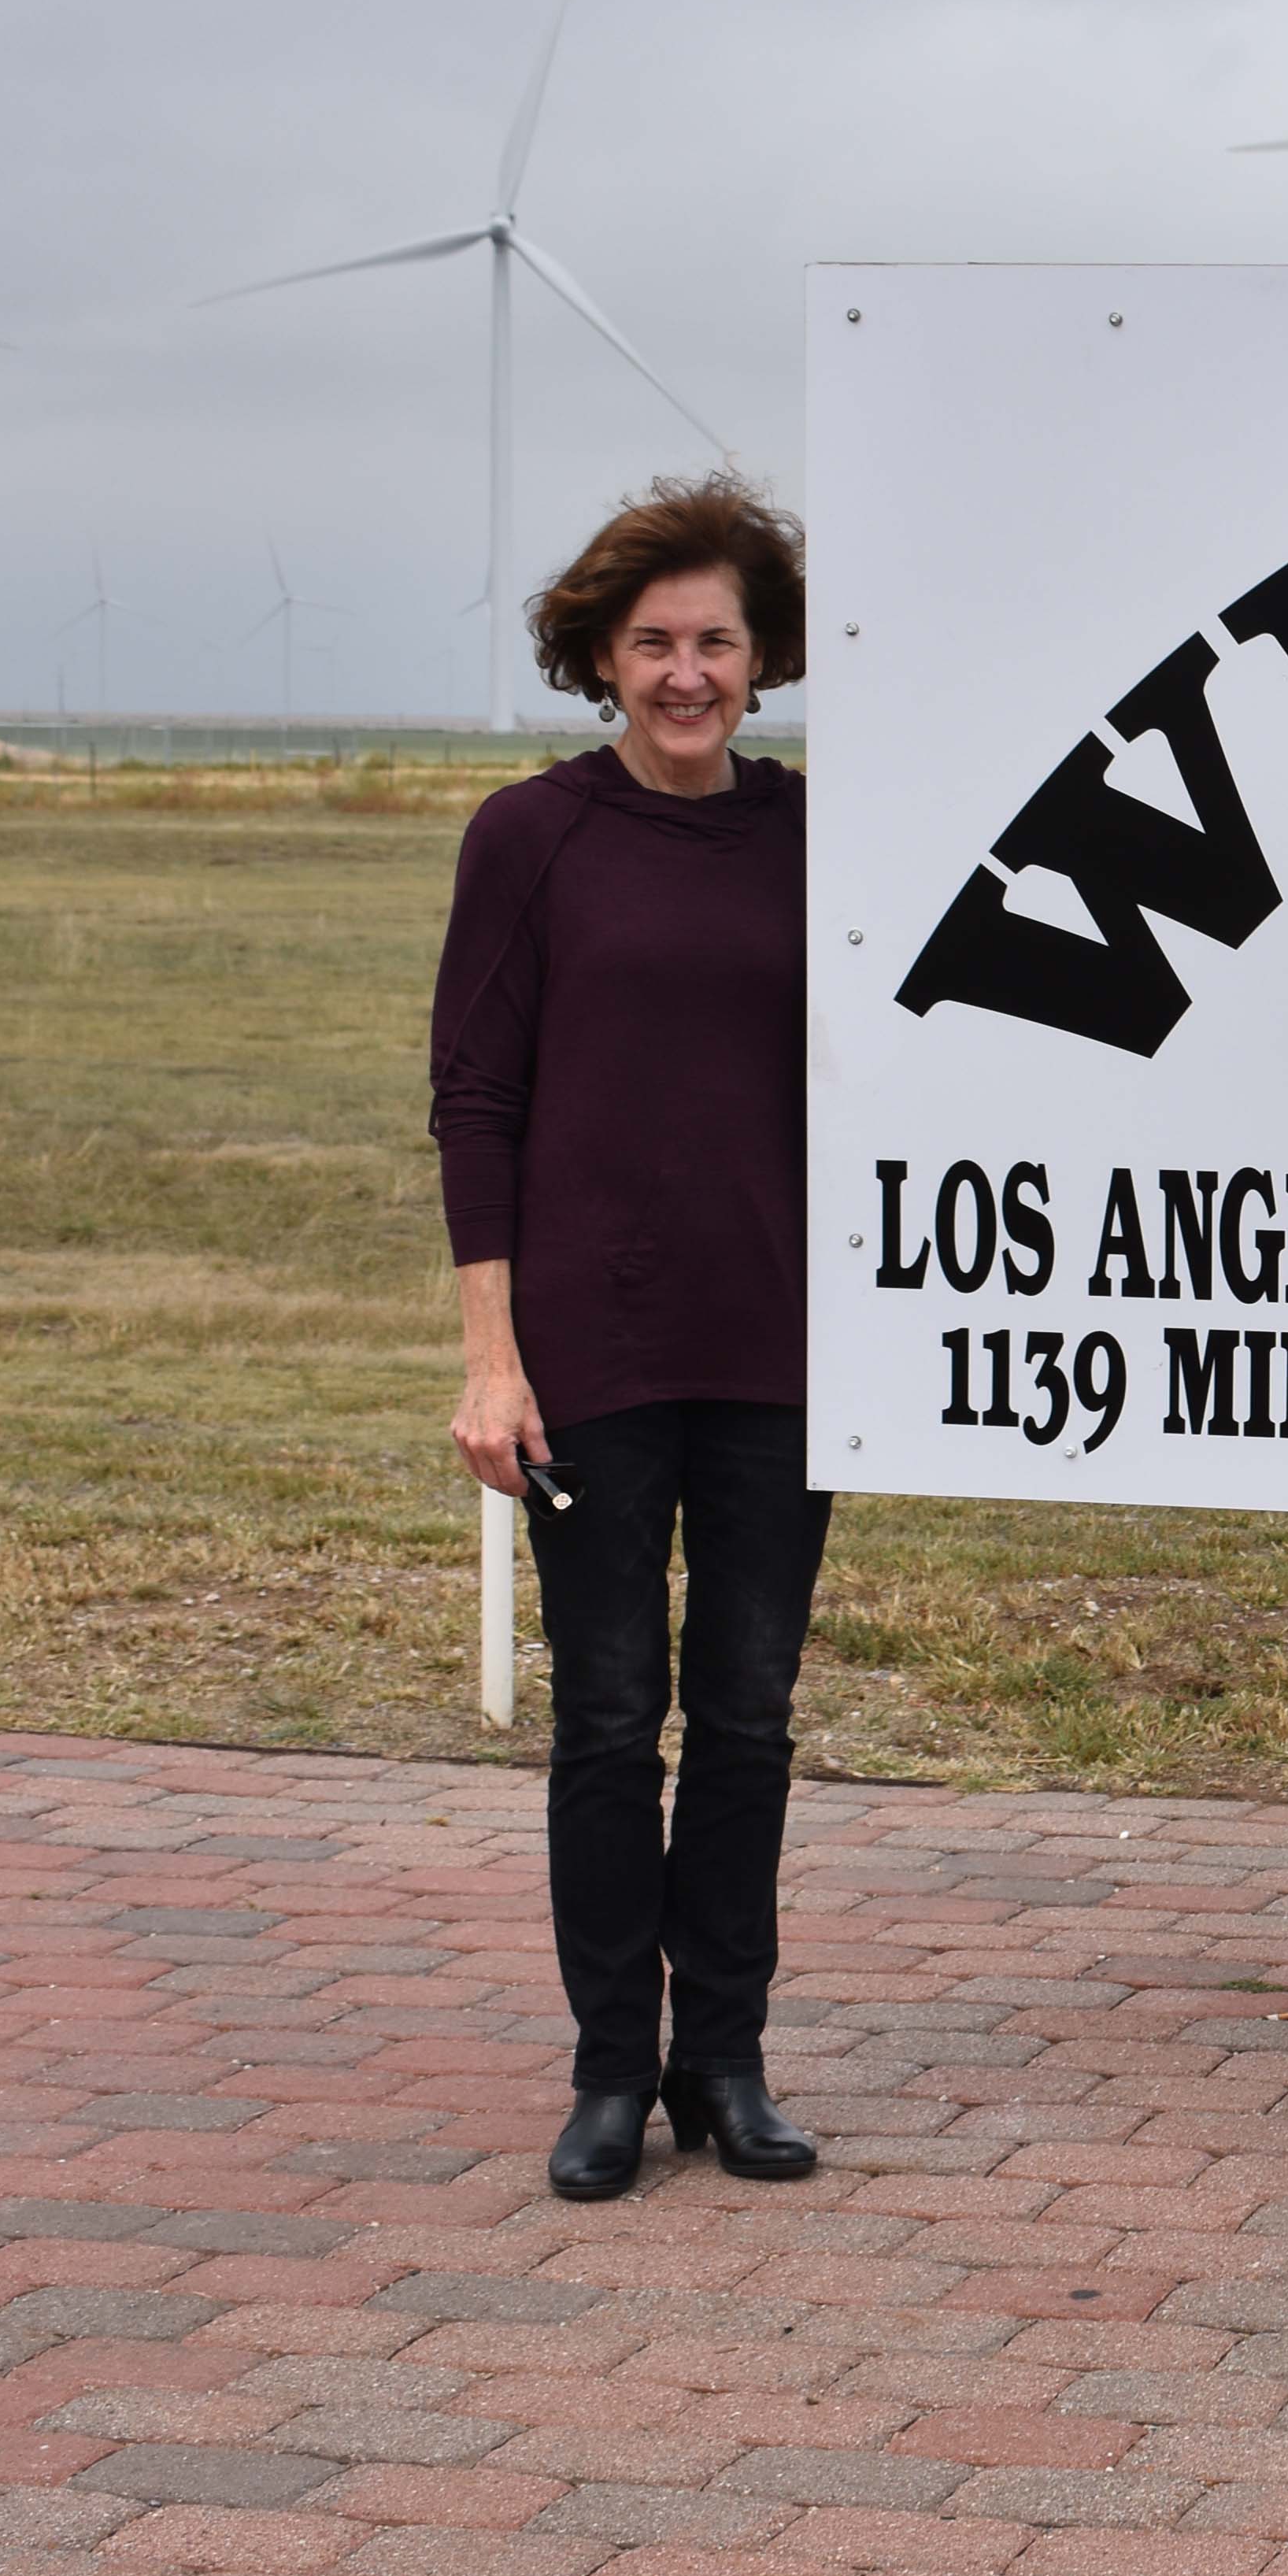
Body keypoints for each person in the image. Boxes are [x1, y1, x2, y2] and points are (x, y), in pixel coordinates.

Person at [431, 474, 828, 2202]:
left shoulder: (823, 836)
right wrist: (489, 1354)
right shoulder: (532, 836)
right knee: (608, 1721)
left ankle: (722, 2062)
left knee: (745, 1714)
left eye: (718, 639)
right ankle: (608, 2070)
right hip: (588, 1350)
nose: (688, 671)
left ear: (765, 657)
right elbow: (475, 1099)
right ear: (600, 654)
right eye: (655, 639)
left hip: (784, 1347)